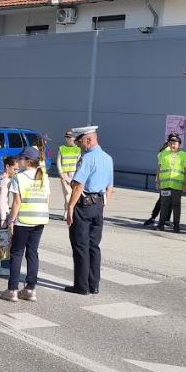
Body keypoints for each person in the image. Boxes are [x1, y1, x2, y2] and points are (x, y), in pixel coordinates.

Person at [64, 126, 114, 295]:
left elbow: (78, 185)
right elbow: (110, 187)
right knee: (94, 246)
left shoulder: (87, 158)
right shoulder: (107, 158)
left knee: (80, 246)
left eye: (79, 143)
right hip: (98, 204)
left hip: (83, 205)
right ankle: (94, 284)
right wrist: (101, 205)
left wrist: (70, 206)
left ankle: (81, 286)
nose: (79, 146)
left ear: (88, 140)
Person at [1, 147, 49, 302]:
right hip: (40, 219)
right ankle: (30, 289)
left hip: (24, 220)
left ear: (28, 161)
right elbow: (47, 198)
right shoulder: (43, 176)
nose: (18, 161)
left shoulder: (19, 178)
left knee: (16, 253)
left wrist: (11, 221)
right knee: (32, 253)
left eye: (21, 159)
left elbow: (16, 202)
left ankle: (13, 289)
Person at [0, 154, 20, 277]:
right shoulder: (6, 181)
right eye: (14, 169)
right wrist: (3, 218)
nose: (16, 172)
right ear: (7, 167)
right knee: (5, 240)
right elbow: (2, 200)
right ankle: (5, 267)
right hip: (1, 213)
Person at [143, 134, 181, 227]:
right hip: (166, 182)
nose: (174, 143)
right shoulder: (165, 151)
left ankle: (163, 219)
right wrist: (158, 180)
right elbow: (160, 165)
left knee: (166, 201)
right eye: (172, 141)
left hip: (171, 182)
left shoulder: (171, 151)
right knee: (163, 201)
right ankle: (156, 218)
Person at [155, 134, 186, 234]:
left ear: (179, 144)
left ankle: (176, 226)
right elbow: (159, 169)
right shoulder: (163, 154)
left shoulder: (184, 155)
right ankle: (160, 225)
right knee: (164, 205)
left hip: (177, 186)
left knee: (176, 205)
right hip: (165, 185)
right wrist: (158, 181)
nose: (172, 145)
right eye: (171, 143)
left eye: (175, 143)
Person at [57, 131, 81, 208]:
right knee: (67, 192)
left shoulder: (78, 149)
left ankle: (71, 209)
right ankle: (67, 210)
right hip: (64, 173)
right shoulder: (62, 148)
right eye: (66, 137)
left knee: (73, 192)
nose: (68, 139)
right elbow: (58, 161)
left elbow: (79, 163)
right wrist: (61, 173)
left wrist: (78, 174)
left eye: (70, 137)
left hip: (74, 174)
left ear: (74, 138)